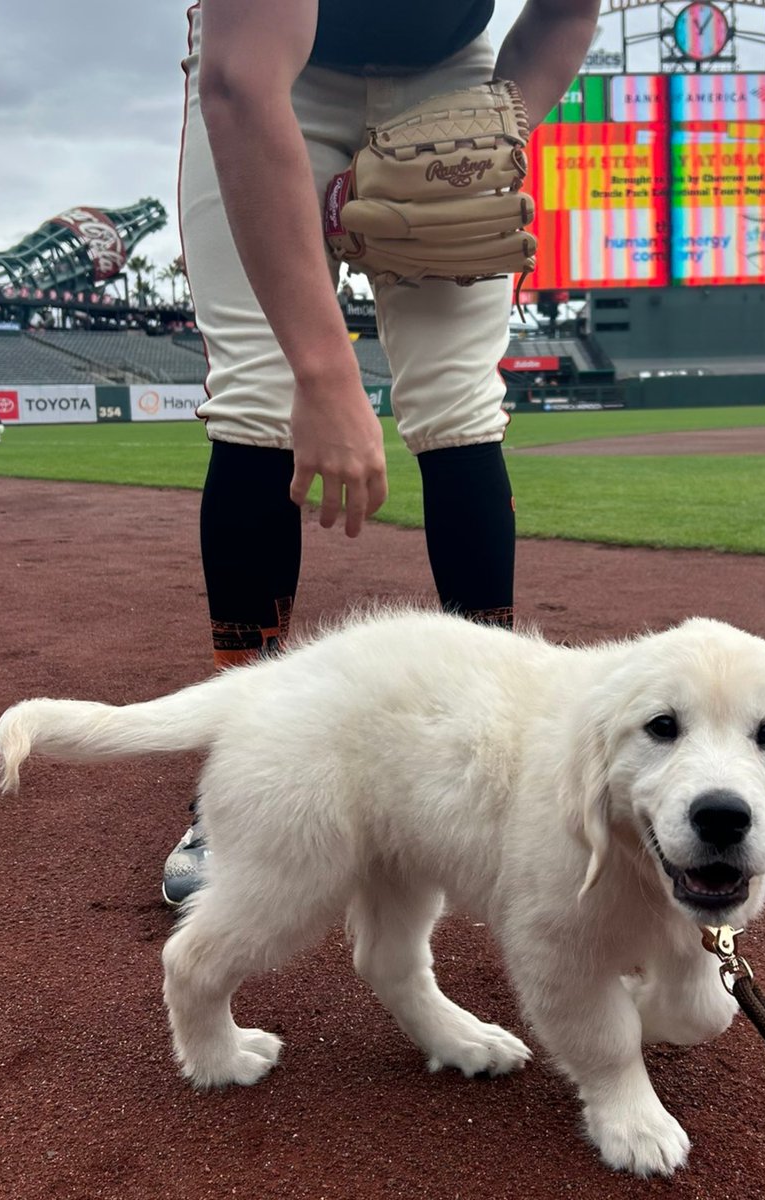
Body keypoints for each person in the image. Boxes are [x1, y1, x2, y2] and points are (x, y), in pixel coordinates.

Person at [160, 0, 601, 907]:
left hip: (449, 73)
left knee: (460, 405)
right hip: (275, 72)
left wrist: (497, 122)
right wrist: (325, 379)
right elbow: (243, 81)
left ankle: (497, 748)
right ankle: (245, 766)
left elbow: (566, 10)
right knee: (258, 394)